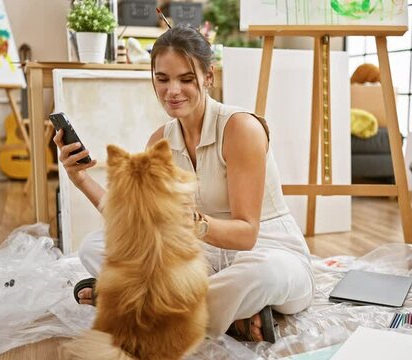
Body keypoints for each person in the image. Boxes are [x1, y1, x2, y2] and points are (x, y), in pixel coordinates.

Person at [54, 26, 314, 343]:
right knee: (96, 245)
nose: (172, 91)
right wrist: (79, 178)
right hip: (201, 263)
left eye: (186, 79)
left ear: (208, 77)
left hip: (265, 251)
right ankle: (230, 321)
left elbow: (247, 234)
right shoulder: (160, 140)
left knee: (263, 273)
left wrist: (191, 223)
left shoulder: (241, 128)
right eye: (162, 79)